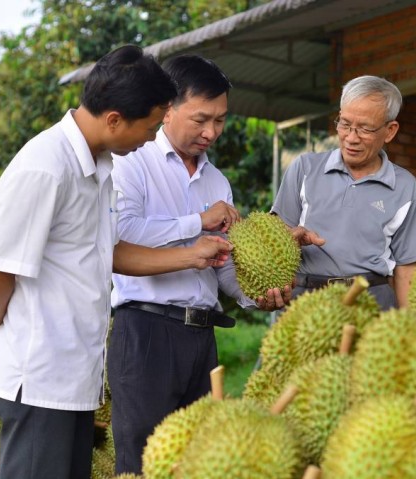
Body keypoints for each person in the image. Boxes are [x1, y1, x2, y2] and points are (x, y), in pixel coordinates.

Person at [0, 45, 234, 479]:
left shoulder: (100, 166)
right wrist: (1, 333)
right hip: (39, 376)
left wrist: (193, 253)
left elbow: (109, 252)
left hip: (75, 377)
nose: (152, 137)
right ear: (114, 119)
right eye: (150, 127)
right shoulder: (45, 168)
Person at [107, 54, 322, 475]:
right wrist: (198, 221)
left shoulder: (217, 181)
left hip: (201, 336)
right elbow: (122, 236)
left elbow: (222, 264)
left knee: (203, 459)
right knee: (141, 460)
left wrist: (257, 296)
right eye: (201, 119)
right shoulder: (132, 163)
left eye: (220, 121)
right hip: (145, 331)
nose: (211, 132)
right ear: (167, 108)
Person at [271, 75, 416, 310]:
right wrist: (289, 237)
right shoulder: (305, 168)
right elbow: (273, 234)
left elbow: (408, 269)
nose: (351, 137)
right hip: (307, 301)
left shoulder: (405, 187)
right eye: (345, 124)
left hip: (372, 303)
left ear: (390, 131)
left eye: (365, 129)